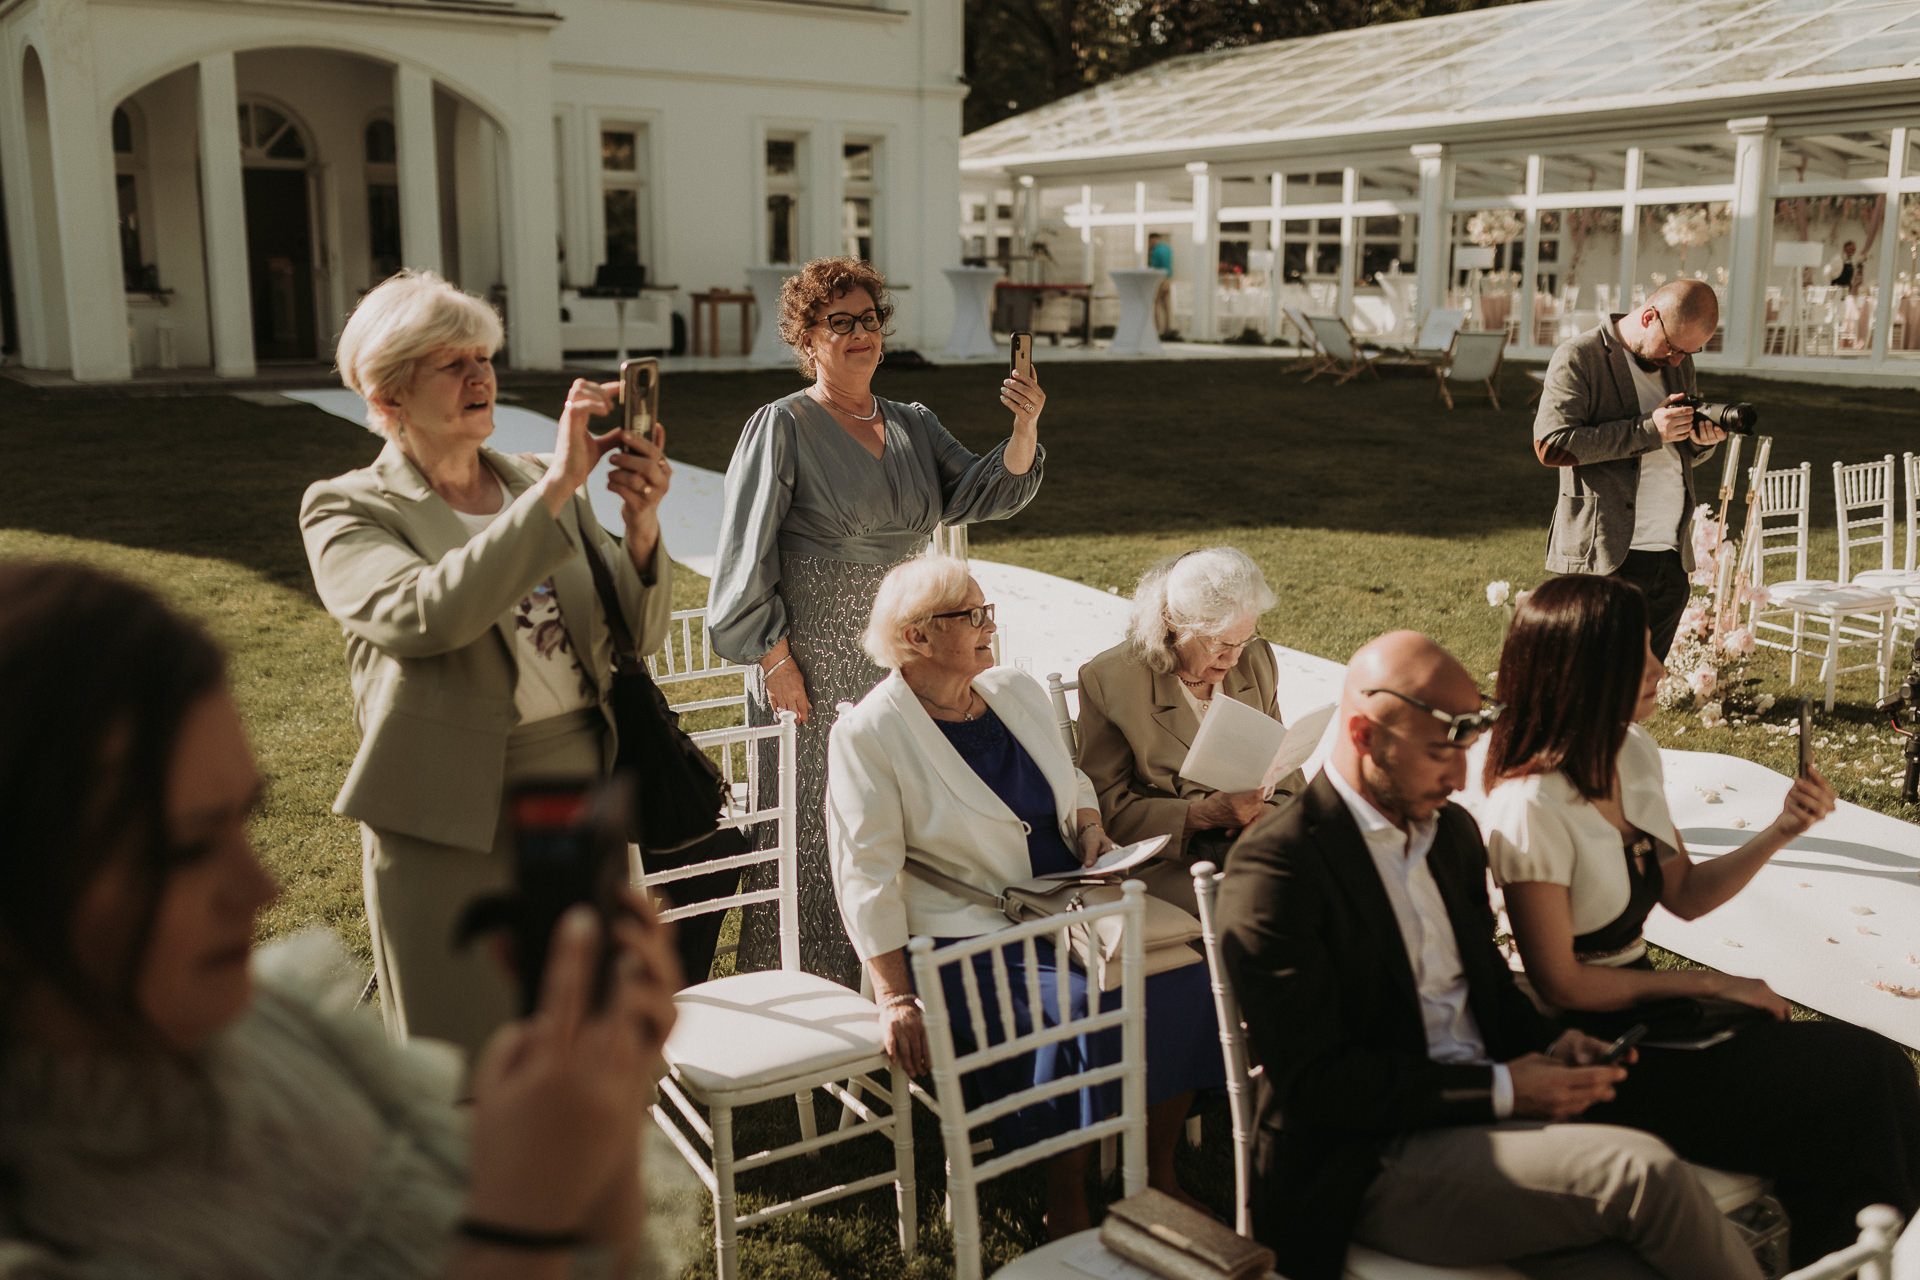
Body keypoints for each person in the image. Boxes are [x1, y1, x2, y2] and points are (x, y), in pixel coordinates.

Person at [0, 560, 681, 1279]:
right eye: (190, 848)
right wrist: (519, 1232)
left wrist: (601, 1125)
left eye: (246, 818)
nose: (263, 888)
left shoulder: (286, 1036)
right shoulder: (38, 1236)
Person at [1216, 629, 1763, 1280]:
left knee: (1630, 1268)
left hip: (1481, 1122)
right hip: (1367, 1159)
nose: (1459, 777)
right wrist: (1505, 1089)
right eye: (1439, 754)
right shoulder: (1279, 868)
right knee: (1641, 1173)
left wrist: (1555, 1043)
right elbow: (1319, 1086)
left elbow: (1489, 990)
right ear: (1364, 736)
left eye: (1466, 751)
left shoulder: (1450, 833)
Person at [1480, 573, 1920, 1267]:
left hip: (1659, 1020)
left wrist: (1782, 829)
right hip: (1596, 1052)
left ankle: (1838, 1252)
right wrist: (1713, 986)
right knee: (1859, 1077)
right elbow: (1562, 984)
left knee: (1879, 1078)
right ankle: (1841, 1253)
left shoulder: (1633, 754)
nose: (1659, 668)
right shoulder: (1529, 808)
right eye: (1638, 657)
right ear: (1585, 671)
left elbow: (1683, 895)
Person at [300, 269, 673, 1055]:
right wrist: (561, 488)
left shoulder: (537, 483)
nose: (480, 376)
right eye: (451, 362)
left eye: (484, 357)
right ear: (388, 393)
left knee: (587, 1038)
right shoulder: (346, 507)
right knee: (466, 1062)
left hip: (577, 790)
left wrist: (640, 529)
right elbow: (422, 616)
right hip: (446, 815)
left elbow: (633, 637)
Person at [826, 556, 1223, 1236]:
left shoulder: (1012, 689)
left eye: (989, 611)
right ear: (916, 637)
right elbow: (864, 873)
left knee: (1188, 974)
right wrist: (894, 997)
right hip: (967, 928)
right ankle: (1063, 1196)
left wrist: (1093, 829)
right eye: (971, 616)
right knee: (1077, 1006)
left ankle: (1155, 1178)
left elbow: (1070, 784)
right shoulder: (871, 732)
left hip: (1071, 898)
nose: (990, 626)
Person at [707, 257, 1048, 986]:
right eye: (840, 322)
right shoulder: (782, 425)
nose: (860, 334)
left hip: (908, 652)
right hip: (813, 658)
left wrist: (1025, 427)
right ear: (807, 339)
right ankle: (804, 990)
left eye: (869, 320)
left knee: (904, 819)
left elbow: (985, 492)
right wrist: (774, 661)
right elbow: (743, 556)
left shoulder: (913, 424)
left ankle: (898, 993)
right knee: (818, 830)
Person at [1076, 548, 1299, 911]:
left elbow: (1286, 770)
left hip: (1253, 845)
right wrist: (1200, 816)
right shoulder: (1111, 681)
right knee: (1279, 903)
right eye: (1220, 645)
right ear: (1172, 624)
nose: (1234, 658)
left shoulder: (1256, 661)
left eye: (1243, 640)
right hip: (1170, 861)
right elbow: (1105, 809)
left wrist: (1268, 812)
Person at [1532, 278, 1725, 660]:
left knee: (1640, 690)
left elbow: (1676, 448)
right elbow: (1552, 444)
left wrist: (1700, 443)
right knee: (1591, 687)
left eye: (1690, 352)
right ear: (1650, 316)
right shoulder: (1580, 356)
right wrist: (1650, 429)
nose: (1677, 360)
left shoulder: (1679, 363)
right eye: (1672, 348)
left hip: (1670, 560)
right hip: (1605, 557)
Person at [1148, 232, 1174, 337]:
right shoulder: (1167, 248)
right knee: (1167, 305)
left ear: (1153, 239)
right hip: (1168, 279)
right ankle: (1168, 328)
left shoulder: (1156, 250)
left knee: (1156, 303)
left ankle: (1157, 329)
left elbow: (1154, 266)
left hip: (1159, 279)